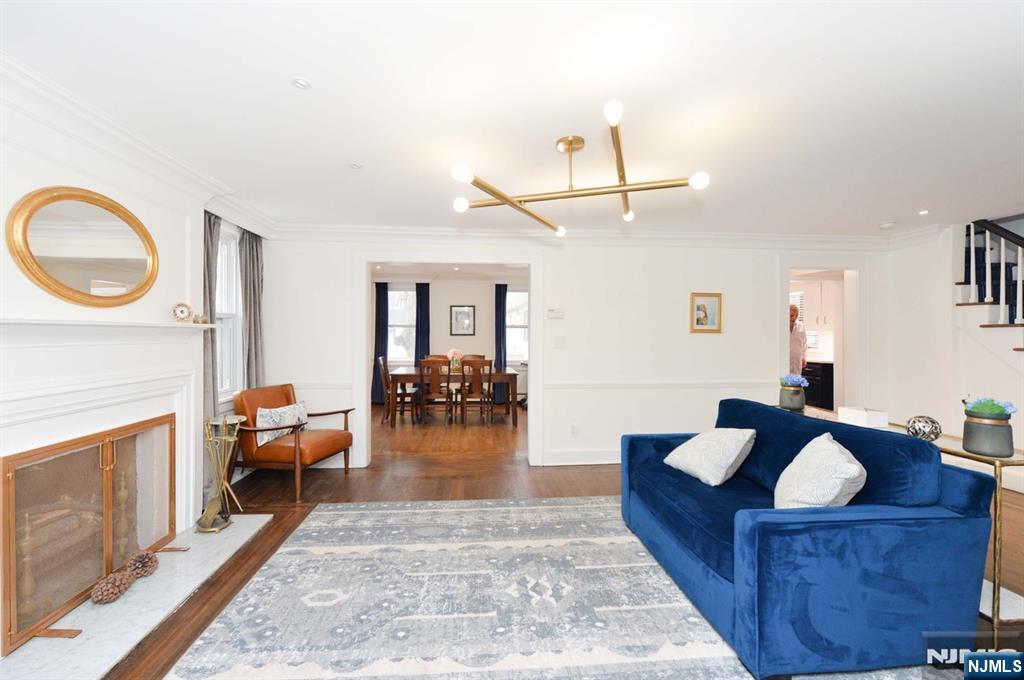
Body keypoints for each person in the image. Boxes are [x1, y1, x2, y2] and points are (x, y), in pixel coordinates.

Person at [789, 304, 807, 374]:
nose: (794, 318)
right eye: (791, 315)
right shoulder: (780, 328)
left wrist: (804, 357)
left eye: (796, 316)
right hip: (785, 363)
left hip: (797, 363)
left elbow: (804, 344)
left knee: (796, 384)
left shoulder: (801, 327)